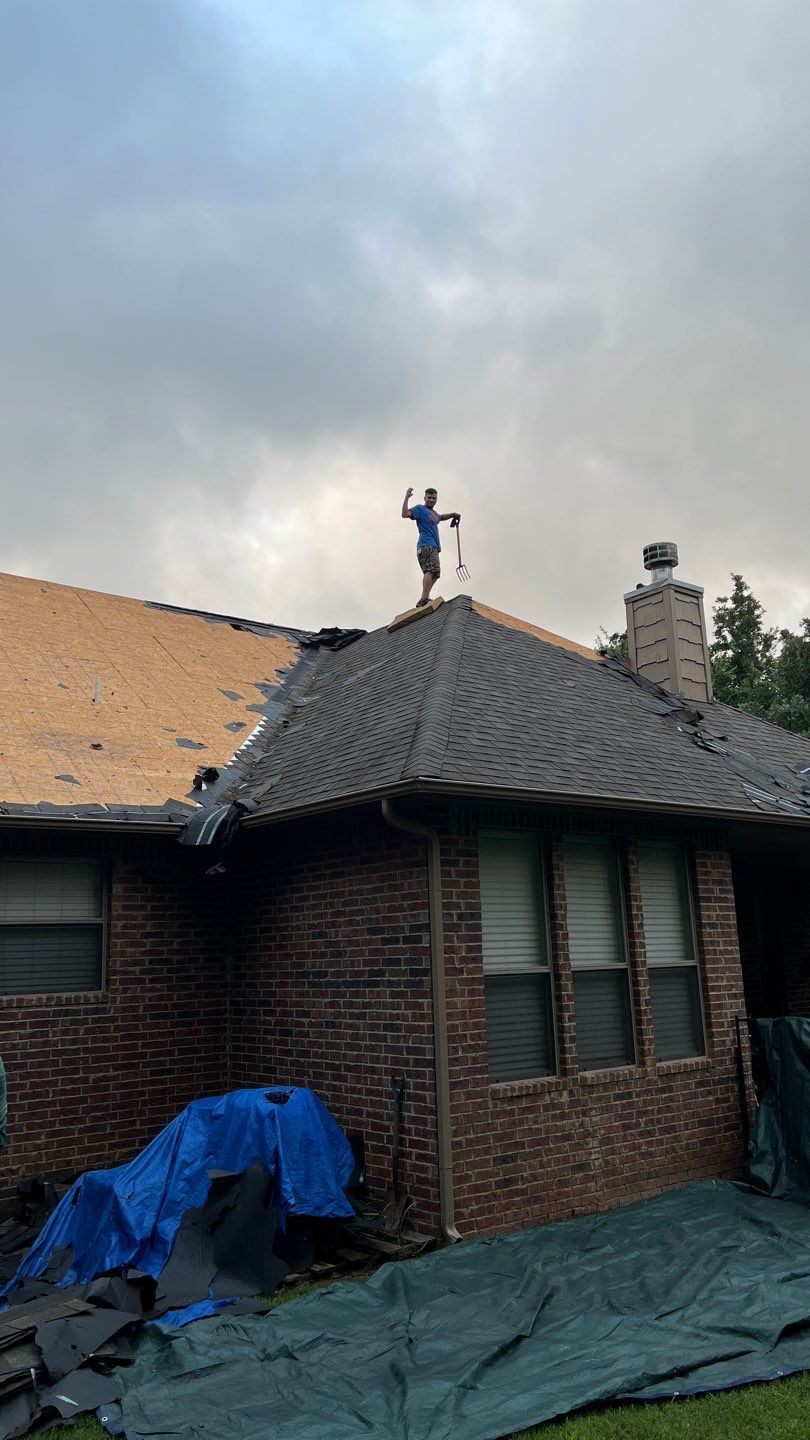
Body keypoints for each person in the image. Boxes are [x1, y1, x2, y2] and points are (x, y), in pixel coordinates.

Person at [401, 486, 461, 607]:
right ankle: (424, 598)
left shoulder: (434, 514)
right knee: (429, 570)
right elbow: (405, 514)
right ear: (425, 498)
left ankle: (424, 597)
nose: (432, 500)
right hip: (426, 545)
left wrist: (452, 514)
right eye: (429, 497)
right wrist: (407, 497)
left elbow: (440, 517)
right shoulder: (420, 509)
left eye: (434, 498)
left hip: (432, 547)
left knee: (436, 573)